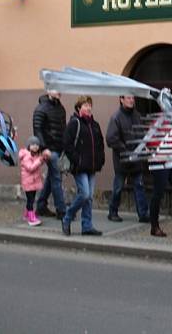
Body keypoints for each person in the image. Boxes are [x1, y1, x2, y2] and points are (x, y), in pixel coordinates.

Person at [61, 96, 105, 237]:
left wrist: (100, 160)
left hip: (92, 167)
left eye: (89, 105)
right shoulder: (75, 123)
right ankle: (67, 217)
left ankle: (87, 226)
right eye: (85, 105)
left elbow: (100, 144)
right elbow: (67, 144)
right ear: (79, 108)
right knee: (85, 194)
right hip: (79, 167)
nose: (88, 108)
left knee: (90, 197)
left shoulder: (95, 125)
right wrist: (77, 160)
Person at [106, 95, 149, 223]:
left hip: (136, 159)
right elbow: (111, 139)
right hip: (122, 159)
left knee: (139, 186)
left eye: (132, 98)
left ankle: (143, 214)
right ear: (121, 99)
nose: (131, 100)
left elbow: (142, 134)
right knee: (118, 187)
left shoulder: (137, 116)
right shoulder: (116, 117)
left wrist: (143, 146)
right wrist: (125, 151)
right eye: (128, 98)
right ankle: (112, 211)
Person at [33, 90, 67, 219]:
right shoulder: (41, 108)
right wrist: (43, 148)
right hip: (49, 150)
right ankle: (62, 211)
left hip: (59, 149)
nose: (59, 91)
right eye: (55, 88)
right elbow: (37, 129)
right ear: (48, 91)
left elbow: (63, 128)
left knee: (51, 177)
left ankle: (41, 205)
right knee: (57, 178)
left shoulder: (60, 107)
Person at [19, 136, 50, 227]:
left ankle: (27, 214)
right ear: (29, 146)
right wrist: (40, 160)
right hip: (28, 182)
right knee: (30, 200)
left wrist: (43, 158)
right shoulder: (26, 156)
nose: (35, 146)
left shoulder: (35, 155)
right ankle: (31, 218)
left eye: (37, 144)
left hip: (33, 182)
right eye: (33, 144)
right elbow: (31, 168)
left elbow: (38, 164)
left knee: (31, 199)